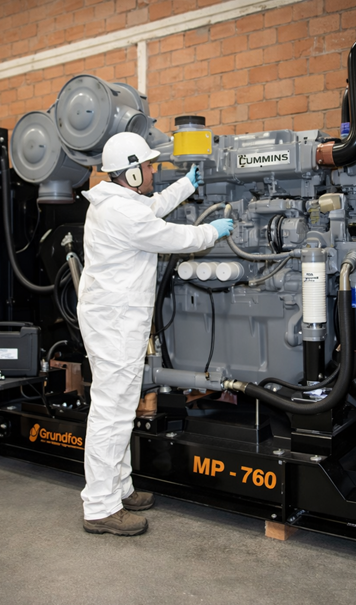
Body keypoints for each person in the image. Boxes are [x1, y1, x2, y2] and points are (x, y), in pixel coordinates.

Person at [77, 132, 233, 536]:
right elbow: (173, 237)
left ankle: (119, 489)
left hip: (115, 319)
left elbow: (153, 206)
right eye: (147, 167)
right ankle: (100, 506)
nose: (151, 173)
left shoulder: (118, 201)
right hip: (115, 323)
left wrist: (186, 184)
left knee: (121, 408)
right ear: (130, 173)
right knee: (112, 412)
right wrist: (212, 231)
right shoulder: (122, 213)